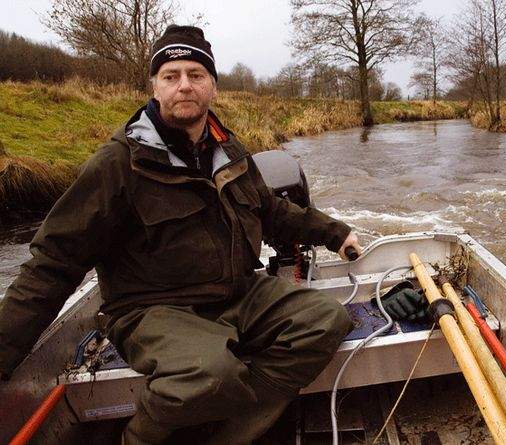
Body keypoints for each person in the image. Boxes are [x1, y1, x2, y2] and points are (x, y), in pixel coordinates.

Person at [0, 25, 363, 444]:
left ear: (212, 86)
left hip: (238, 293)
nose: (184, 86)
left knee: (324, 320)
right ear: (154, 86)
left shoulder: (230, 149)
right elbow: (52, 264)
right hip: (152, 310)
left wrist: (336, 234)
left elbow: (271, 211)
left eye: (196, 74)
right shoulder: (117, 164)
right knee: (211, 373)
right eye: (171, 76)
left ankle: (230, 433)